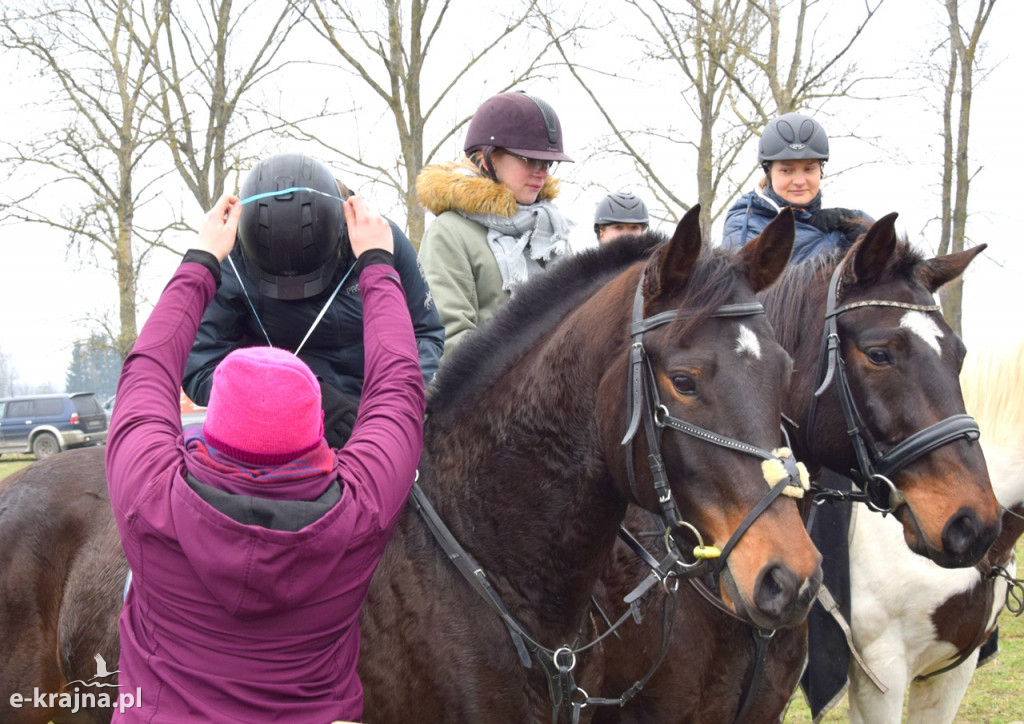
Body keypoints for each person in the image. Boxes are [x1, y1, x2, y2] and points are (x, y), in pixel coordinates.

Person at [105, 193, 425, 723]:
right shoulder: (360, 510)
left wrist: (203, 259)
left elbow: (147, 369)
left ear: (208, 432)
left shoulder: (148, 496)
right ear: (319, 435)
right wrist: (377, 264)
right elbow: (399, 390)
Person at [182, 152, 442, 446]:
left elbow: (425, 334)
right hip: (275, 429)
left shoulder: (381, 239)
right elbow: (200, 368)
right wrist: (300, 398)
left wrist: (390, 406)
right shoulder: (229, 258)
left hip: (380, 419)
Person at [417, 91, 575, 353]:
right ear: (486, 158)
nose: (542, 171)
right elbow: (450, 341)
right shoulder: (449, 233)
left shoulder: (552, 231)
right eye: (528, 158)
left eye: (548, 162)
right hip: (489, 392)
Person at [721, 112, 871, 263]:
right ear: (769, 172)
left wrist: (859, 227)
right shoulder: (745, 223)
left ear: (821, 171)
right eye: (786, 171)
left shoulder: (839, 227)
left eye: (809, 169)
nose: (799, 181)